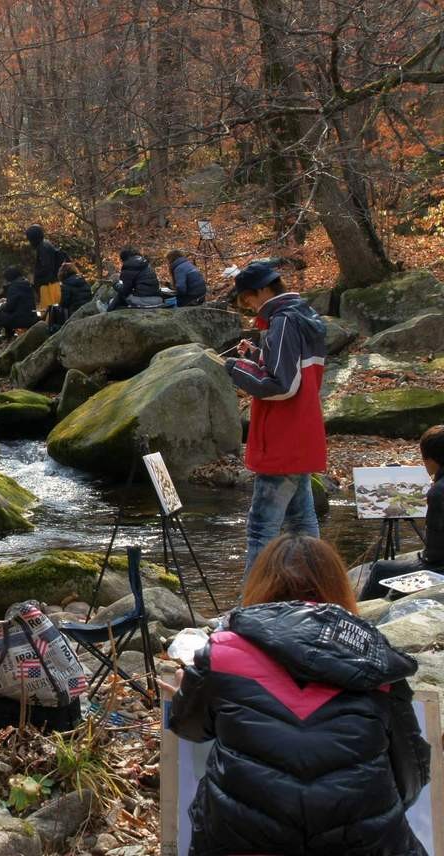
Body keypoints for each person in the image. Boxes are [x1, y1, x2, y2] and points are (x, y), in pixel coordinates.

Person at [167, 534, 430, 856]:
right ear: (337, 586)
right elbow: (412, 776)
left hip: (241, 841)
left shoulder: (222, 653)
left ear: (260, 584)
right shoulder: (377, 661)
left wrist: (186, 690)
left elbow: (188, 728)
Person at [225, 261, 328, 576]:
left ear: (262, 291)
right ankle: (319, 592)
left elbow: (281, 386)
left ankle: (250, 605)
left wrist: (235, 368)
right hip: (303, 432)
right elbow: (293, 374)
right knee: (303, 527)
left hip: (282, 438)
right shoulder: (304, 316)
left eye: (248, 299)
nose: (249, 306)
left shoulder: (282, 322)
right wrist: (257, 355)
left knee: (261, 530)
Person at [359, 425, 444, 600]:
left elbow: (435, 555)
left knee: (380, 569)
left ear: (431, 460)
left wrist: (422, 557)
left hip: (439, 567)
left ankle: (359, 617)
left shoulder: (438, 492)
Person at [0, 266, 38, 344]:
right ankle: (9, 336)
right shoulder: (27, 284)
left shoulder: (14, 287)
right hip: (31, 317)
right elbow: (21, 301)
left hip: (19, 320)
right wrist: (7, 300)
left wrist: (2, 305)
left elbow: (9, 308)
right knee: (8, 313)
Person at [25, 224, 68, 311]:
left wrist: (36, 277)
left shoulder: (43, 248)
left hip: (48, 286)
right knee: (50, 310)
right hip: (51, 284)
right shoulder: (45, 244)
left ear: (33, 238)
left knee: (49, 312)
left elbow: (47, 268)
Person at [46, 262, 93, 333]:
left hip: (73, 315)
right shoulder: (84, 282)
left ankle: (52, 329)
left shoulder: (66, 285)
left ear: (62, 273)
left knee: (53, 305)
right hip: (86, 312)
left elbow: (64, 304)